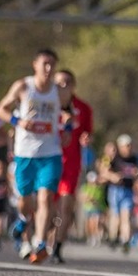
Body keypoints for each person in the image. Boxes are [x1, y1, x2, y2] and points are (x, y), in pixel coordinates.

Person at [0, 49, 64, 264]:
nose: (48, 68)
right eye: (44, 63)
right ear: (35, 64)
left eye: (52, 64)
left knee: (45, 198)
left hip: (50, 152)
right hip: (25, 153)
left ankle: (41, 242)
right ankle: (24, 219)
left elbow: (70, 111)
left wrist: (69, 127)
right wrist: (18, 122)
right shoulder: (23, 87)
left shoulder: (59, 91)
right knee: (25, 200)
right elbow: (1, 110)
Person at [53, 68, 94, 264]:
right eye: (59, 82)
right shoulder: (47, 104)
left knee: (66, 206)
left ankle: (57, 248)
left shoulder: (83, 108)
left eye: (67, 82)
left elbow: (87, 133)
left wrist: (86, 139)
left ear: (73, 85)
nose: (63, 86)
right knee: (46, 205)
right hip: (48, 160)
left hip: (71, 164)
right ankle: (39, 239)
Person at [106, 135, 138, 252]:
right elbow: (105, 172)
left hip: (128, 190)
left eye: (130, 145)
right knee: (115, 216)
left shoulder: (135, 159)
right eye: (126, 146)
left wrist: (137, 175)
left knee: (126, 215)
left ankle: (125, 240)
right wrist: (113, 177)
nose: (128, 148)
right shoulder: (114, 158)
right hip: (115, 190)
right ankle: (112, 237)